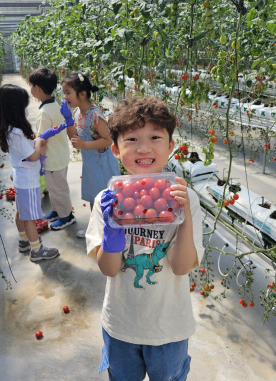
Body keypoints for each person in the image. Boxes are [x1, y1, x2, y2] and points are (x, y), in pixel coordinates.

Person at [85, 97, 204, 381]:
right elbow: (110, 269)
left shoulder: (185, 200)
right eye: (132, 139)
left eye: (155, 137)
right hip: (121, 325)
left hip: (169, 328)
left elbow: (180, 267)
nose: (144, 147)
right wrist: (112, 229)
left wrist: (185, 216)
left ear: (171, 146)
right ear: (115, 149)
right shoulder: (107, 200)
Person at [0, 84, 59, 262]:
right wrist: (39, 141)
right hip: (28, 180)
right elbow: (33, 156)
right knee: (30, 217)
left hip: (20, 177)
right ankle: (36, 250)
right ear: (15, 108)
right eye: (23, 106)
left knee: (21, 212)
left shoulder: (9, 128)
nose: (25, 110)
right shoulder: (16, 132)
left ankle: (24, 240)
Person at [63, 72, 120, 238]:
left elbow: (109, 140)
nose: (65, 96)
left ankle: (108, 233)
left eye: (68, 92)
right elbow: (73, 137)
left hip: (102, 165)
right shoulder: (77, 114)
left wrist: (84, 145)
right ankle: (97, 229)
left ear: (82, 94)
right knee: (93, 198)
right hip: (90, 164)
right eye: (64, 93)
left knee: (105, 200)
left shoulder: (95, 115)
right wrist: (68, 121)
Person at [29, 67, 76, 231]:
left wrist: (40, 160)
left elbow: (43, 140)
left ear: (38, 89)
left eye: (31, 86)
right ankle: (57, 211)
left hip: (52, 159)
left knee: (59, 189)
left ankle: (66, 217)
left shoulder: (43, 112)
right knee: (56, 188)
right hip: (60, 154)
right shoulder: (56, 105)